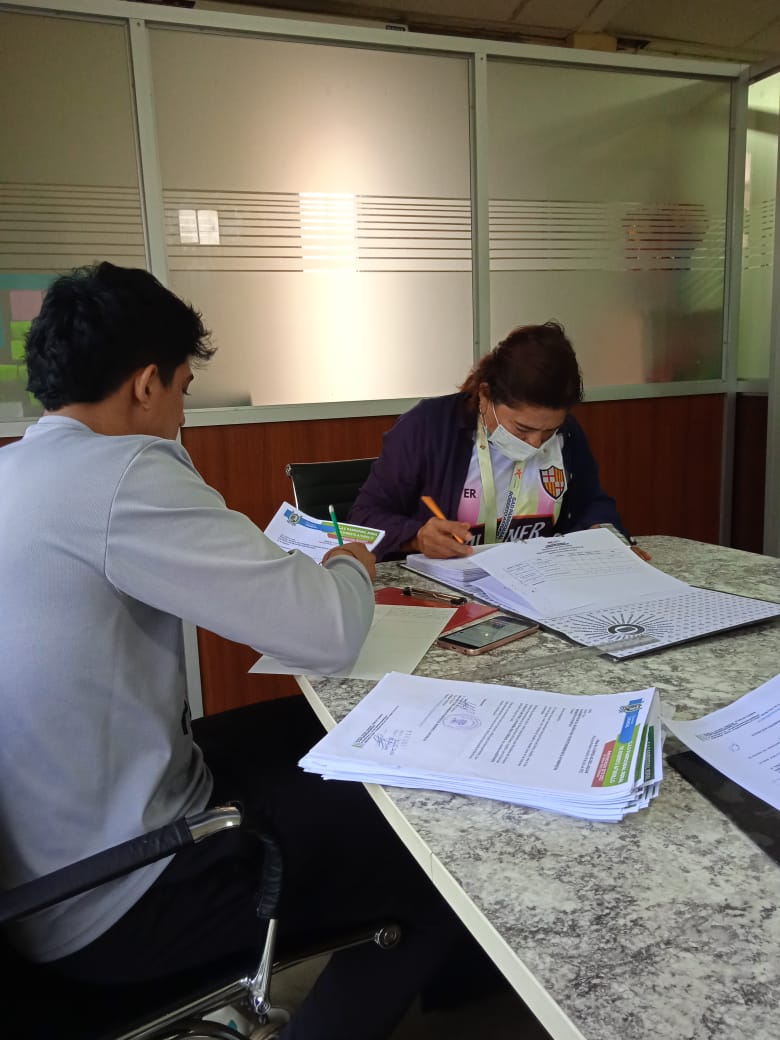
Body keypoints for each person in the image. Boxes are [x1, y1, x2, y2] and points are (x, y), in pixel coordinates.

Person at [0, 263, 499, 1040]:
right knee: (436, 847)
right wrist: (350, 561)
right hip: (121, 896)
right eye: (184, 389)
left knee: (320, 732)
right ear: (146, 385)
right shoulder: (123, 473)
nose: (182, 416)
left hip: (47, 868)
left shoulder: (15, 468)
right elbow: (327, 630)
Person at [351, 321, 645, 562]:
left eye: (548, 432)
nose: (535, 444)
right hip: (448, 591)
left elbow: (590, 502)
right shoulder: (427, 427)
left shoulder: (567, 433)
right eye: (522, 429)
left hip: (539, 582)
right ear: (485, 396)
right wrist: (416, 537)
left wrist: (609, 538)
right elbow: (362, 520)